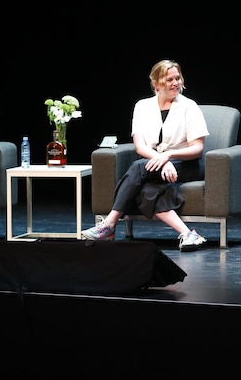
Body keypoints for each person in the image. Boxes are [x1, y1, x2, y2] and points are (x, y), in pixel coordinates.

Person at [82, 59, 210, 251]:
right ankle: (188, 234)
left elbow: (197, 148)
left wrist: (168, 156)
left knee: (137, 167)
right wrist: (160, 159)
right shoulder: (142, 106)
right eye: (169, 80)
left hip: (185, 163)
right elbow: (140, 146)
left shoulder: (189, 107)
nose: (176, 83)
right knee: (146, 191)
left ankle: (109, 224)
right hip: (153, 163)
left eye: (178, 78)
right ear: (156, 83)